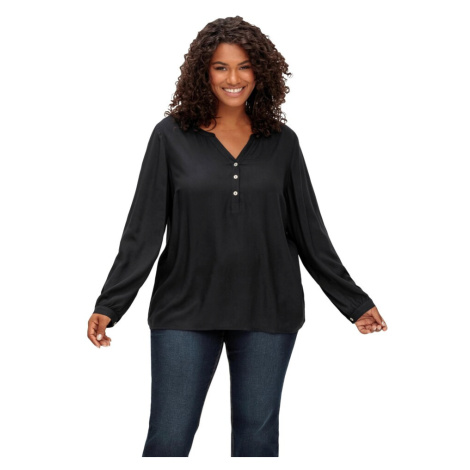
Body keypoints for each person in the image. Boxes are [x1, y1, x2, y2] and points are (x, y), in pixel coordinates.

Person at [87, 16, 387, 457]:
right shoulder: (170, 136)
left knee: (257, 444)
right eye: (221, 67)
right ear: (203, 72)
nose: (234, 78)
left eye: (244, 66)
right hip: (184, 309)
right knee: (168, 439)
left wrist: (354, 302)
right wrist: (110, 304)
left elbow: (310, 232)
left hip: (268, 308)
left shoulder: (282, 142)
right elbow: (143, 229)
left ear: (260, 72)